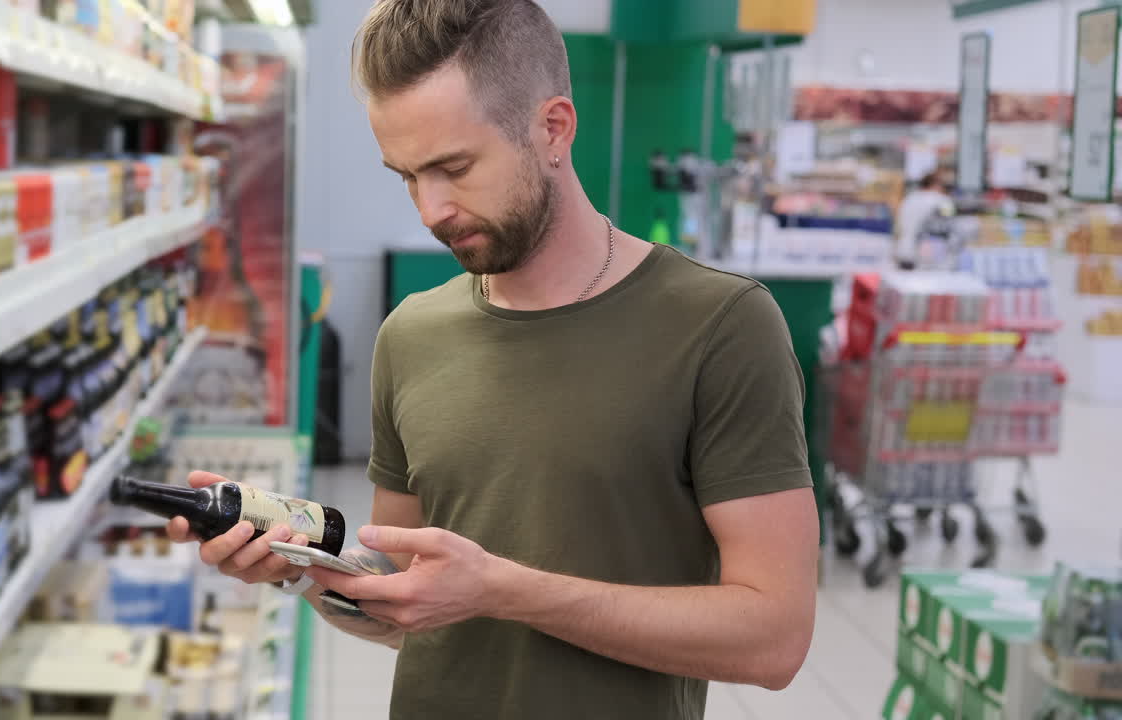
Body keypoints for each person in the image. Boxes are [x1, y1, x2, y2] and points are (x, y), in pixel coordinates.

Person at [166, 1, 818, 717]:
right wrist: (301, 573)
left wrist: (507, 590)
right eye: (407, 175)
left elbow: (774, 638)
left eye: (454, 167)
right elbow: (402, 601)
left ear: (552, 129)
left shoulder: (720, 326)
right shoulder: (411, 334)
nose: (430, 210)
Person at [895, 170, 954, 270]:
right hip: (928, 256)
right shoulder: (943, 201)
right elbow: (949, 222)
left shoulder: (909, 199)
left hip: (904, 250)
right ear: (936, 184)